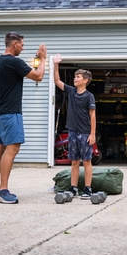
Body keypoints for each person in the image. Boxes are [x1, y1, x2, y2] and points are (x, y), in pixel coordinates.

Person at [0, 32, 47, 204]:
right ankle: (4, 190)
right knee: (12, 150)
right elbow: (38, 76)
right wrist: (42, 59)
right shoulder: (14, 62)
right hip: (10, 113)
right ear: (14, 44)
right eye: (22, 44)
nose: (23, 47)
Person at [53, 54, 96, 199]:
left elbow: (92, 116)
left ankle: (88, 189)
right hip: (72, 132)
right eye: (75, 77)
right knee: (74, 161)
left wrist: (92, 134)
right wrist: (56, 64)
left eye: (78, 77)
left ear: (85, 80)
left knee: (87, 161)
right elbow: (57, 81)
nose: (75, 79)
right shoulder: (71, 92)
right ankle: (73, 188)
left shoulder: (89, 96)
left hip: (85, 133)